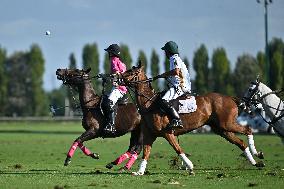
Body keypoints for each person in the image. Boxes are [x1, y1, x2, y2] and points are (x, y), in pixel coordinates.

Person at [152, 41, 191, 129]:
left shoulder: (174, 58)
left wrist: (162, 75)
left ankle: (177, 120)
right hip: (179, 85)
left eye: (165, 51)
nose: (165, 53)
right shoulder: (175, 58)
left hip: (180, 87)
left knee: (163, 100)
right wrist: (168, 78)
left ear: (168, 51)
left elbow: (176, 71)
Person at [103, 44, 127, 134]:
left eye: (109, 52)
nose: (108, 53)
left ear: (112, 53)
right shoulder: (121, 62)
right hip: (121, 87)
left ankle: (111, 125)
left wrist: (106, 77)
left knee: (109, 102)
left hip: (119, 88)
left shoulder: (113, 60)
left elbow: (116, 73)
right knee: (105, 100)